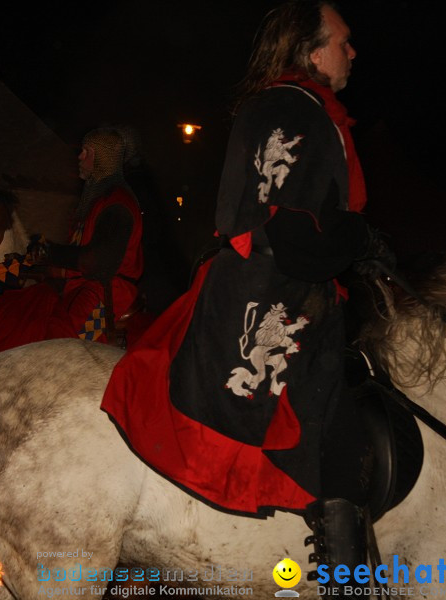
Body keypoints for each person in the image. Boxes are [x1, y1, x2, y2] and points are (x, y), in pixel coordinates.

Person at [101, 3, 391, 597]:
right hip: (276, 295)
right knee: (337, 426)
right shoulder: (298, 110)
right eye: (343, 41)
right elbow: (292, 234)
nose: (352, 52)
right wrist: (358, 238)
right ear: (313, 53)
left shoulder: (279, 105)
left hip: (257, 283)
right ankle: (347, 584)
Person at [30, 127, 144, 345]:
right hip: (83, 286)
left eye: (85, 151)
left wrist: (48, 252)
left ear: (102, 157)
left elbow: (96, 262)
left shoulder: (117, 203)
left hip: (106, 292)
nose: (80, 157)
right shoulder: (95, 201)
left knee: (58, 342)